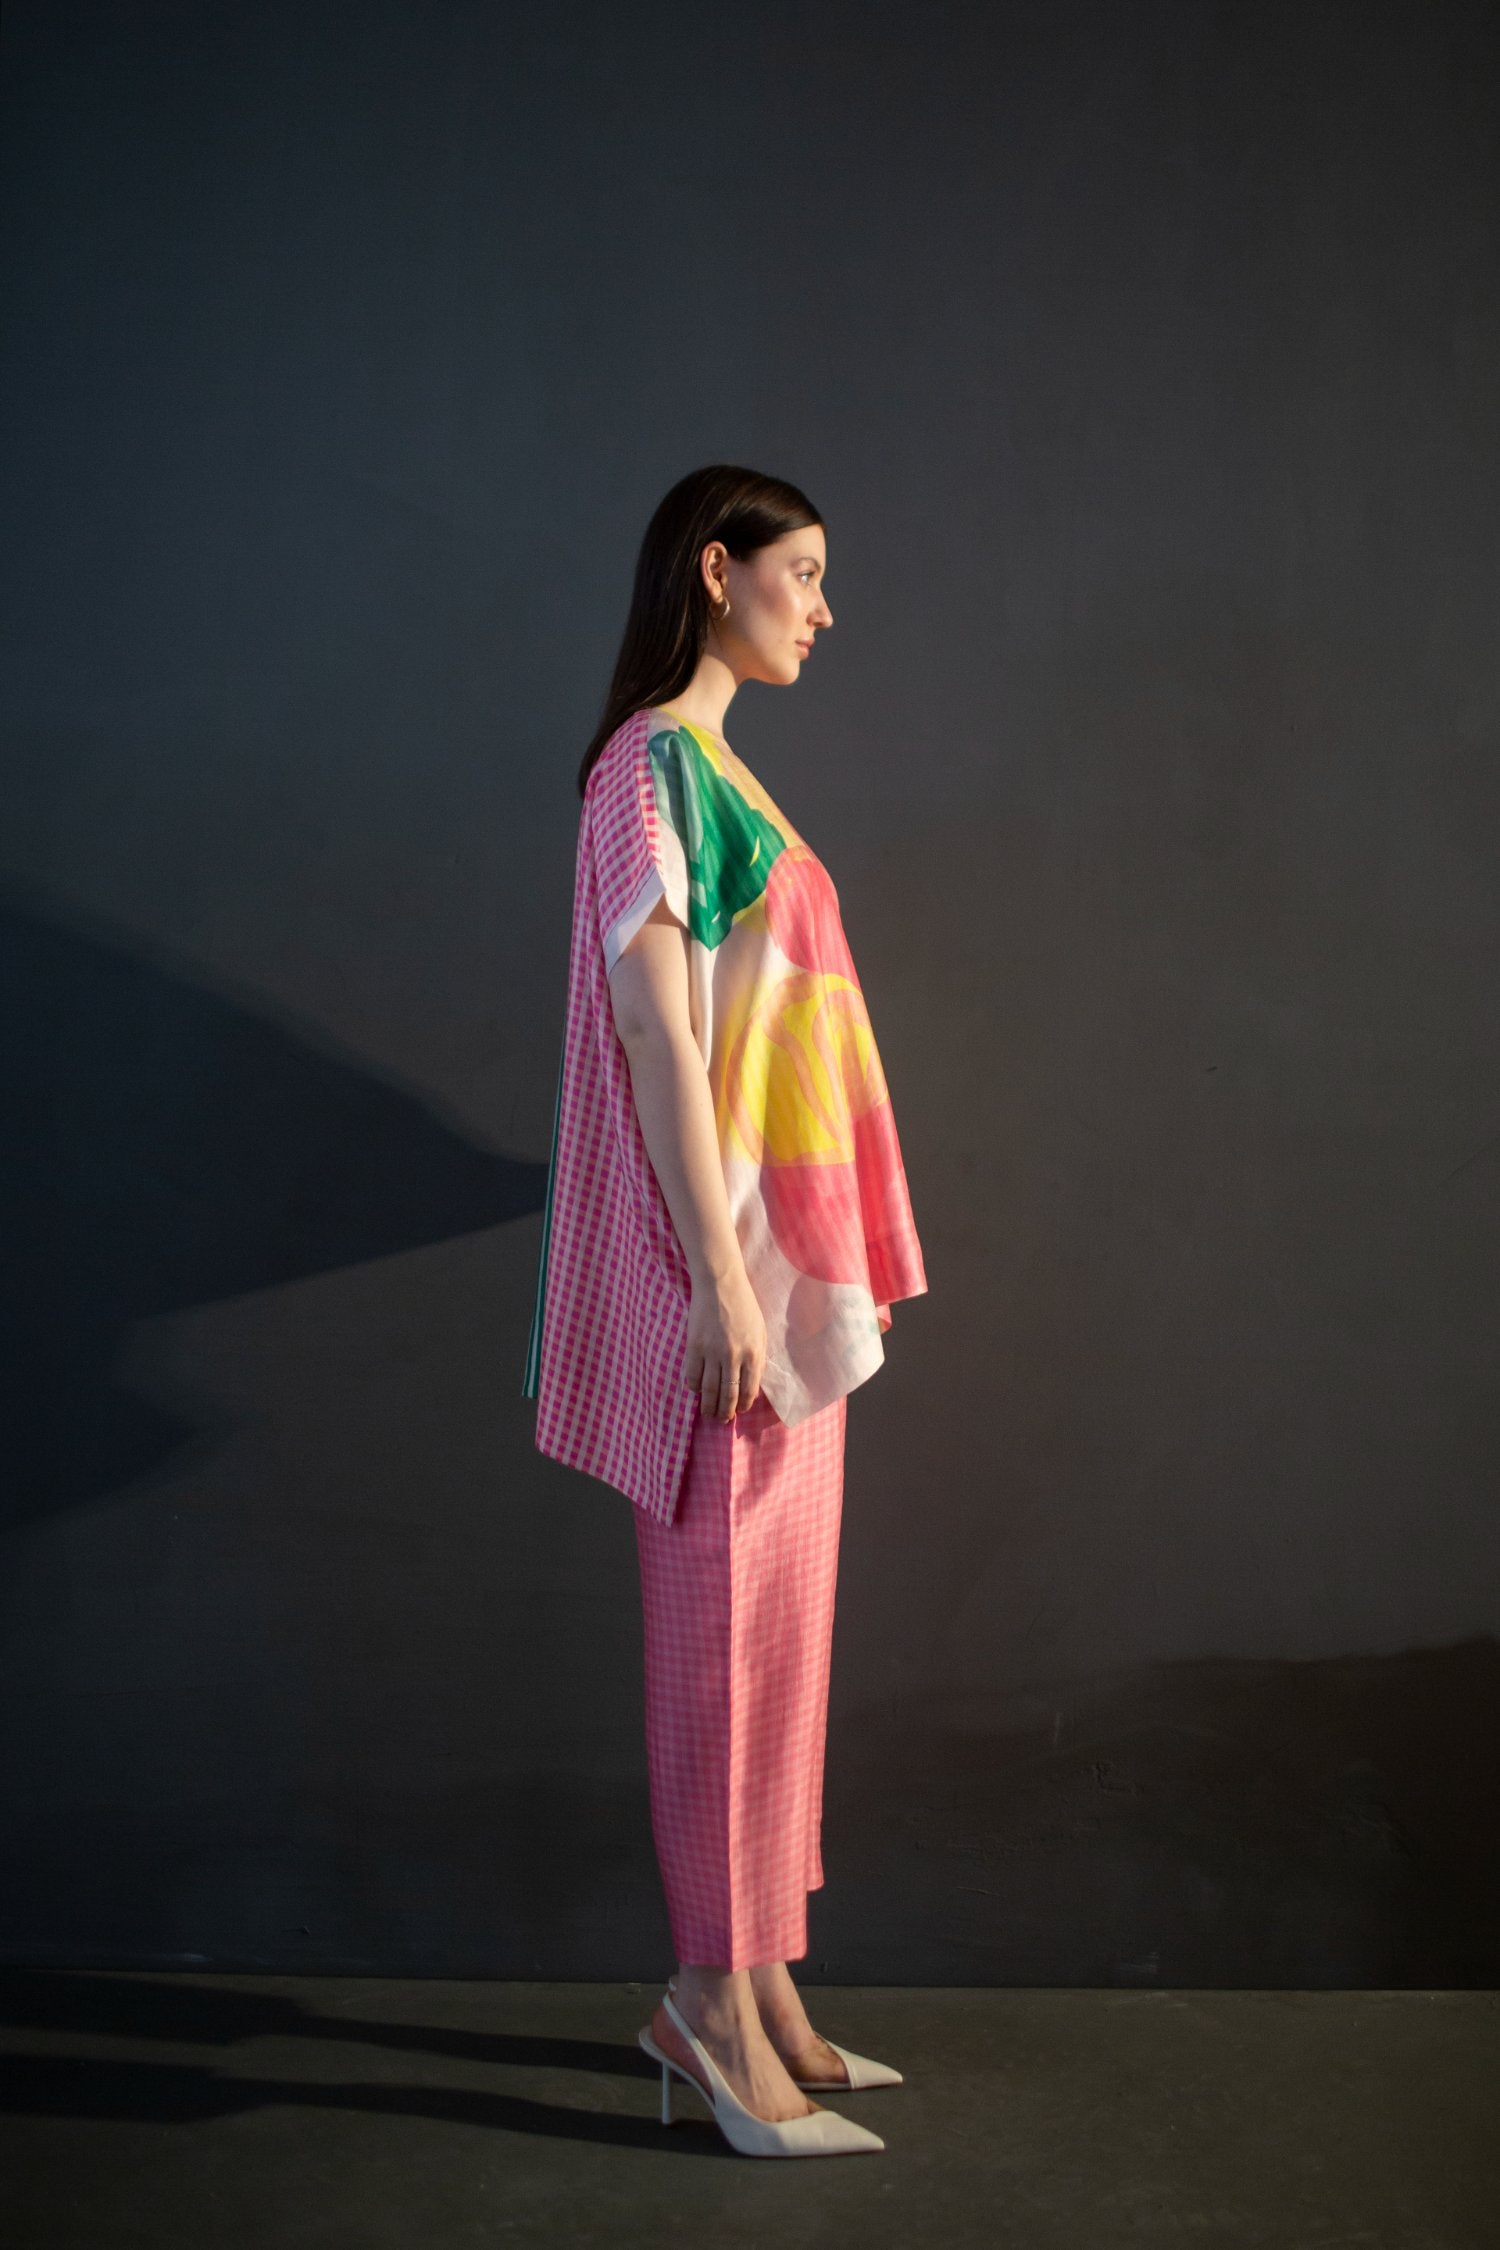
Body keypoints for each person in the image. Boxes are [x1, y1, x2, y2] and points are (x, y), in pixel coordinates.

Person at [522, 464, 928, 2157]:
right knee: (720, 1655)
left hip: (781, 1276)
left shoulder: (724, 771)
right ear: (717, 570)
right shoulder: (647, 773)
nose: (823, 609)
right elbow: (656, 1032)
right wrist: (710, 1277)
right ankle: (702, 2003)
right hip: (729, 1286)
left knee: (782, 1649)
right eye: (802, 573)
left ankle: (765, 1983)